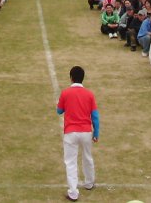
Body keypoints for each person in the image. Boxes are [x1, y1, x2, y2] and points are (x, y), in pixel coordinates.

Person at [56, 66, 99, 201]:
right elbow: (95, 116)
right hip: (86, 131)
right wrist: (96, 132)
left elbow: (59, 111)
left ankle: (73, 192)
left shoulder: (65, 93)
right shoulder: (89, 94)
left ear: (71, 78)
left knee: (70, 162)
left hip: (70, 132)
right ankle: (89, 183)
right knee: (87, 157)